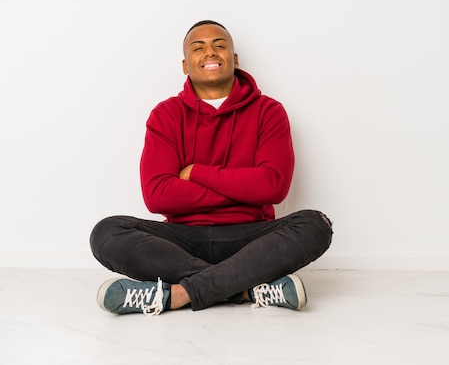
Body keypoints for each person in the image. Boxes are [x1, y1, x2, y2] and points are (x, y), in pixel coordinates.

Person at [90, 20, 333, 316]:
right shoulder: (166, 114)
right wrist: (246, 188)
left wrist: (196, 173)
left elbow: (274, 187)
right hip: (182, 241)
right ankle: (246, 288)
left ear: (234, 59)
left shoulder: (268, 111)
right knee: (107, 232)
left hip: (250, 238)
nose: (210, 52)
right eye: (198, 47)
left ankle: (177, 295)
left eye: (219, 45)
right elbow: (157, 196)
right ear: (185, 64)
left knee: (315, 225)